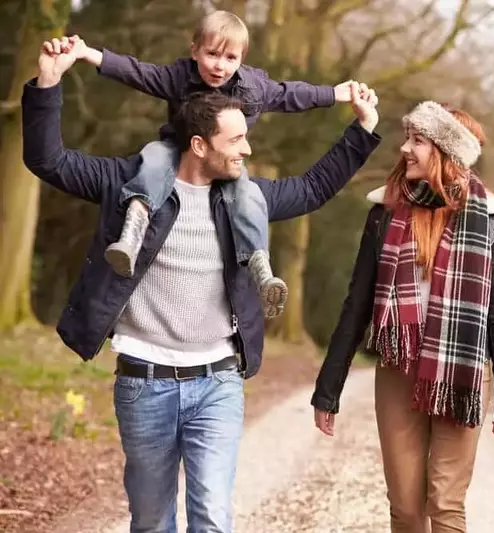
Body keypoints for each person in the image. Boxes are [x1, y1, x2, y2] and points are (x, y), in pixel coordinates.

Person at [23, 36, 380, 532]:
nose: (248, 148)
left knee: (211, 516)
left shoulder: (244, 199)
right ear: (199, 145)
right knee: (151, 521)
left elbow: (313, 188)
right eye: (236, 141)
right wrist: (48, 82)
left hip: (218, 382)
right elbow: (50, 162)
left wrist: (363, 130)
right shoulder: (128, 183)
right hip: (143, 382)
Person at [311, 100, 494, 532]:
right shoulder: (384, 214)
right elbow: (358, 304)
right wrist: (328, 388)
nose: (405, 148)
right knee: (407, 508)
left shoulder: (490, 220)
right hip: (399, 369)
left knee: (445, 503)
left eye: (418, 140)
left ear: (447, 153)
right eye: (408, 138)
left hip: (461, 370)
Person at [69, 10, 364, 317]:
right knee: (153, 161)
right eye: (212, 54)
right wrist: (89, 54)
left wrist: (334, 93)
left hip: (223, 162)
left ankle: (260, 266)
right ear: (194, 49)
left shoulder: (253, 87)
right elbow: (136, 72)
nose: (220, 66)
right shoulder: (179, 78)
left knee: (246, 195)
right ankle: (132, 234)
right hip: (178, 150)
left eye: (230, 58)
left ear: (241, 60)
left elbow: (290, 95)